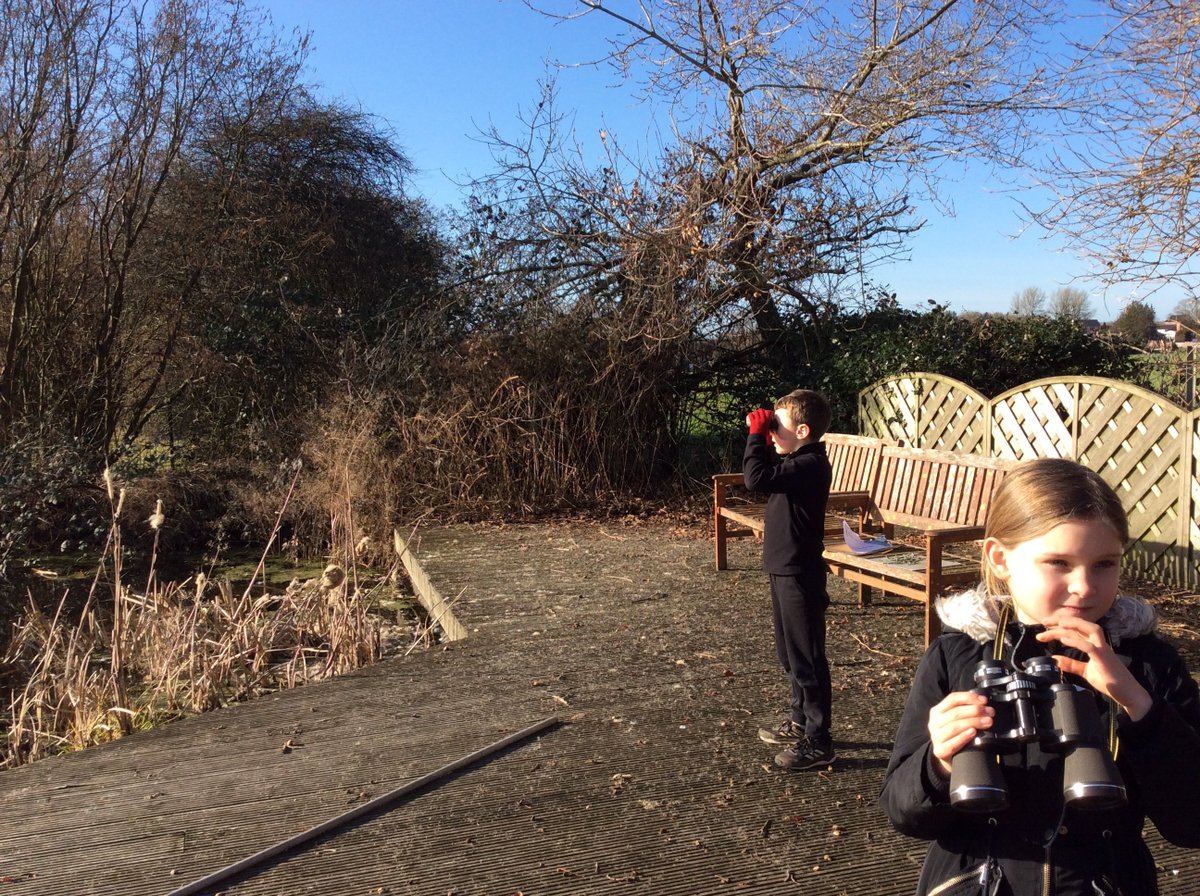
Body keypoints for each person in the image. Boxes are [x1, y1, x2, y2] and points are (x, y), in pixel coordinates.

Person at [880, 457, 1200, 895]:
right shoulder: (955, 656)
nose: (1085, 587)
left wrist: (1141, 708)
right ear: (1000, 558)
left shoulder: (1147, 663)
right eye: (1059, 563)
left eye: (1105, 564)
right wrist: (937, 763)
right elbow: (903, 814)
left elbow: (1192, 824)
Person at [743, 388, 835, 771]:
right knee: (790, 655)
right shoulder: (795, 461)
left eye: (777, 427)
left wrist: (754, 436)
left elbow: (754, 479)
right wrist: (766, 437)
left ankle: (819, 740)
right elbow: (765, 475)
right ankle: (800, 719)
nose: (771, 433)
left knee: (807, 658)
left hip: (800, 573)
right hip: (783, 569)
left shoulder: (811, 463)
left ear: (802, 429)